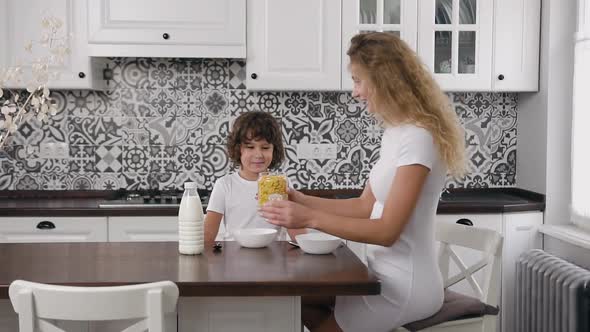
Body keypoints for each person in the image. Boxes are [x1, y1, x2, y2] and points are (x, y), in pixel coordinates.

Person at [260, 32, 466, 332]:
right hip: (379, 276)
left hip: (405, 288)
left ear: (385, 80)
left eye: (358, 80)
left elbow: (387, 232)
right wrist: (298, 198)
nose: (355, 91)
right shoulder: (396, 132)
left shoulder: (419, 137)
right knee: (297, 300)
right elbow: (364, 205)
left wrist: (309, 217)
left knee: (304, 307)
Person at [204, 111, 306, 244]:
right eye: (250, 147)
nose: (258, 154)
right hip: (235, 257)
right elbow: (208, 233)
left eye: (265, 147)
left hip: (273, 257)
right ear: (238, 149)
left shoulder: (282, 183)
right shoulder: (224, 184)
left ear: (274, 150)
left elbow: (299, 235)